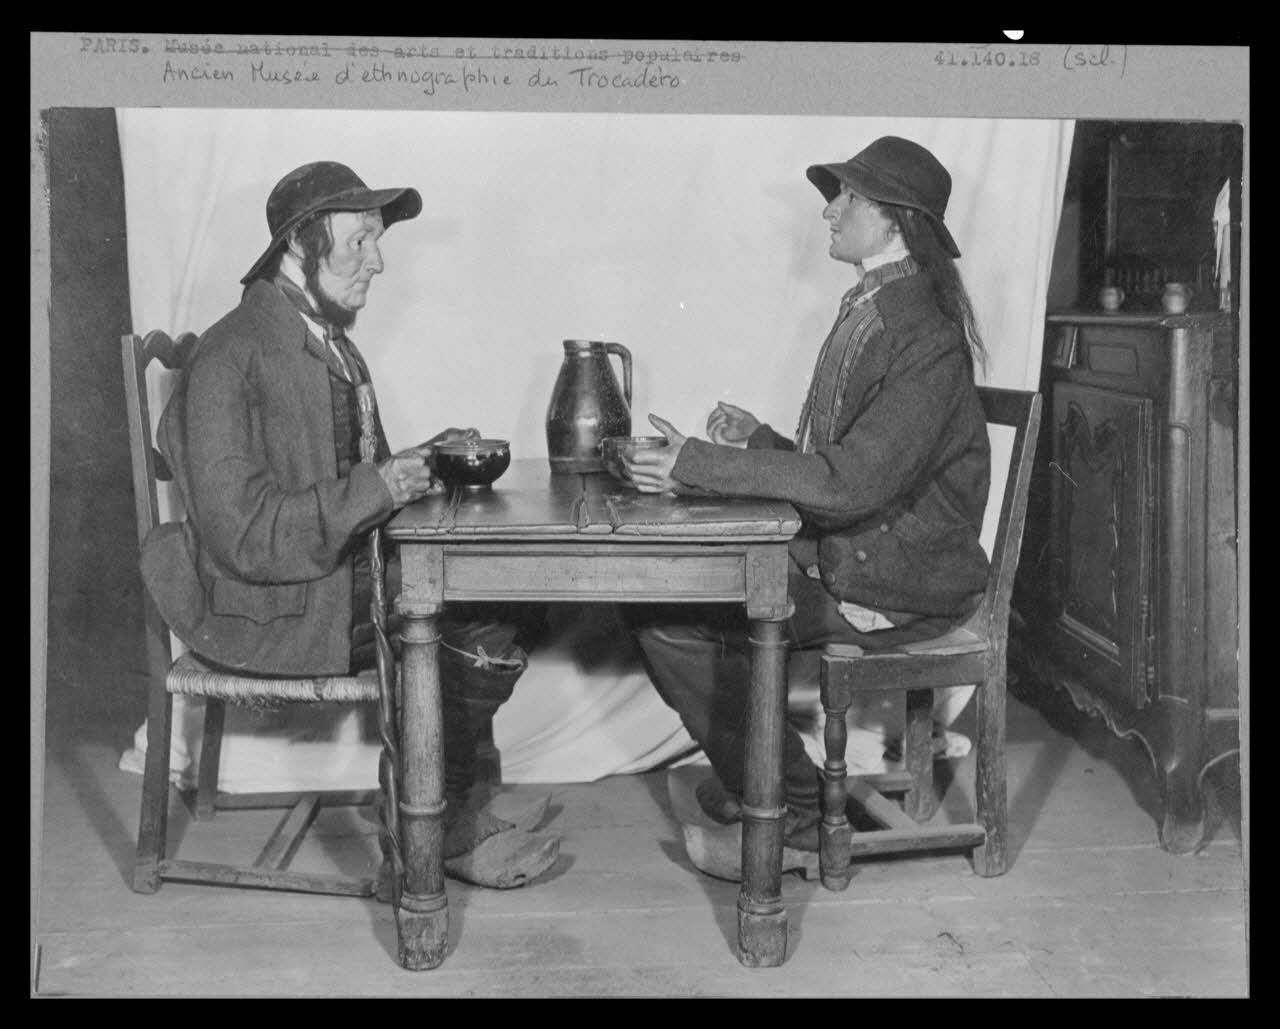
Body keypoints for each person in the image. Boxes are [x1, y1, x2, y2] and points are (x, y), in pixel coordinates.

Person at [139, 161, 558, 889]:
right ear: (301, 244)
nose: (380, 260)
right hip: (273, 610)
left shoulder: (326, 342)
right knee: (468, 620)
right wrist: (380, 484)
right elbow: (243, 533)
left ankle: (443, 804)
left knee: (506, 597)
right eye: (359, 240)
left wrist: (423, 461)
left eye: (377, 240)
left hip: (319, 583)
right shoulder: (232, 352)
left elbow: (356, 476)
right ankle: (432, 822)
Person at [623, 136, 992, 873]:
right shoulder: (878, 306)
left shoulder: (921, 333)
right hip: (860, 554)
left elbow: (850, 482)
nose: (829, 211)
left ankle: (790, 811)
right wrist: (756, 437)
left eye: (847, 198)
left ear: (892, 219)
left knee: (673, 619)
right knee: (673, 606)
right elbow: (856, 462)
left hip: (898, 584)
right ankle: (765, 784)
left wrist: (696, 464)